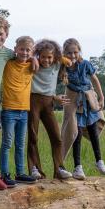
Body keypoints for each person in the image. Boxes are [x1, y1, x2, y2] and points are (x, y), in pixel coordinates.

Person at [60, 38, 105, 180]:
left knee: (93, 131)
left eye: (75, 52)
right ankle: (78, 167)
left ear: (79, 51)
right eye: (69, 53)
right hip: (74, 101)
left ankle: (99, 161)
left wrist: (101, 97)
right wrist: (62, 61)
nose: (72, 55)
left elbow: (95, 79)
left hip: (88, 101)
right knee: (76, 133)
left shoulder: (85, 64)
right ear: (64, 53)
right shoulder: (63, 67)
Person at [27, 39, 73, 180]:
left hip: (48, 103)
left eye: (49, 57)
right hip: (33, 101)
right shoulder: (33, 64)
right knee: (33, 137)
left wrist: (59, 56)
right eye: (43, 57)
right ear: (38, 56)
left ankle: (59, 169)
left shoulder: (57, 64)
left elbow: (69, 62)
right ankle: (35, 169)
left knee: (56, 138)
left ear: (54, 57)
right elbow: (24, 55)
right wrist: (33, 57)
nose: (46, 60)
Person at [0, 36, 37, 187]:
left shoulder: (31, 65)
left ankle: (20, 173)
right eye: (21, 49)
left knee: (20, 144)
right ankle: (5, 174)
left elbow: (55, 58)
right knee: (7, 143)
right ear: (15, 49)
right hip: (9, 109)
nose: (25, 52)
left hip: (24, 111)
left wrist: (34, 59)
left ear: (32, 51)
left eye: (28, 50)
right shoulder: (8, 63)